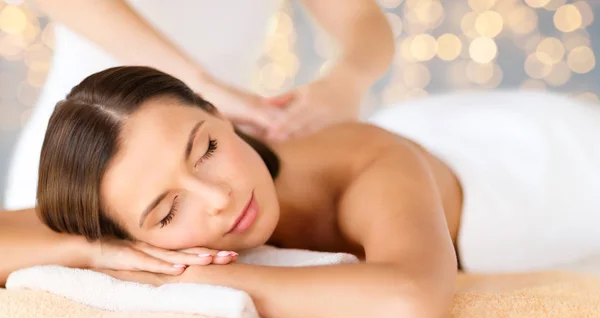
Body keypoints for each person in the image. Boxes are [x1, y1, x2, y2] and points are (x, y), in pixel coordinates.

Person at [2, 67, 599, 318]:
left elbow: (409, 311)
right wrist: (92, 248)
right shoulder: (121, 199)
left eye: (207, 147)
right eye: (165, 214)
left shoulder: (365, 166)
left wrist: (200, 271)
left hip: (547, 163)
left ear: (220, 114)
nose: (219, 197)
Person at [3, 0, 394, 210]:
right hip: (78, 158)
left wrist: (347, 80)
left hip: (214, 146)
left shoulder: (219, 173)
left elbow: (360, 15)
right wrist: (201, 86)